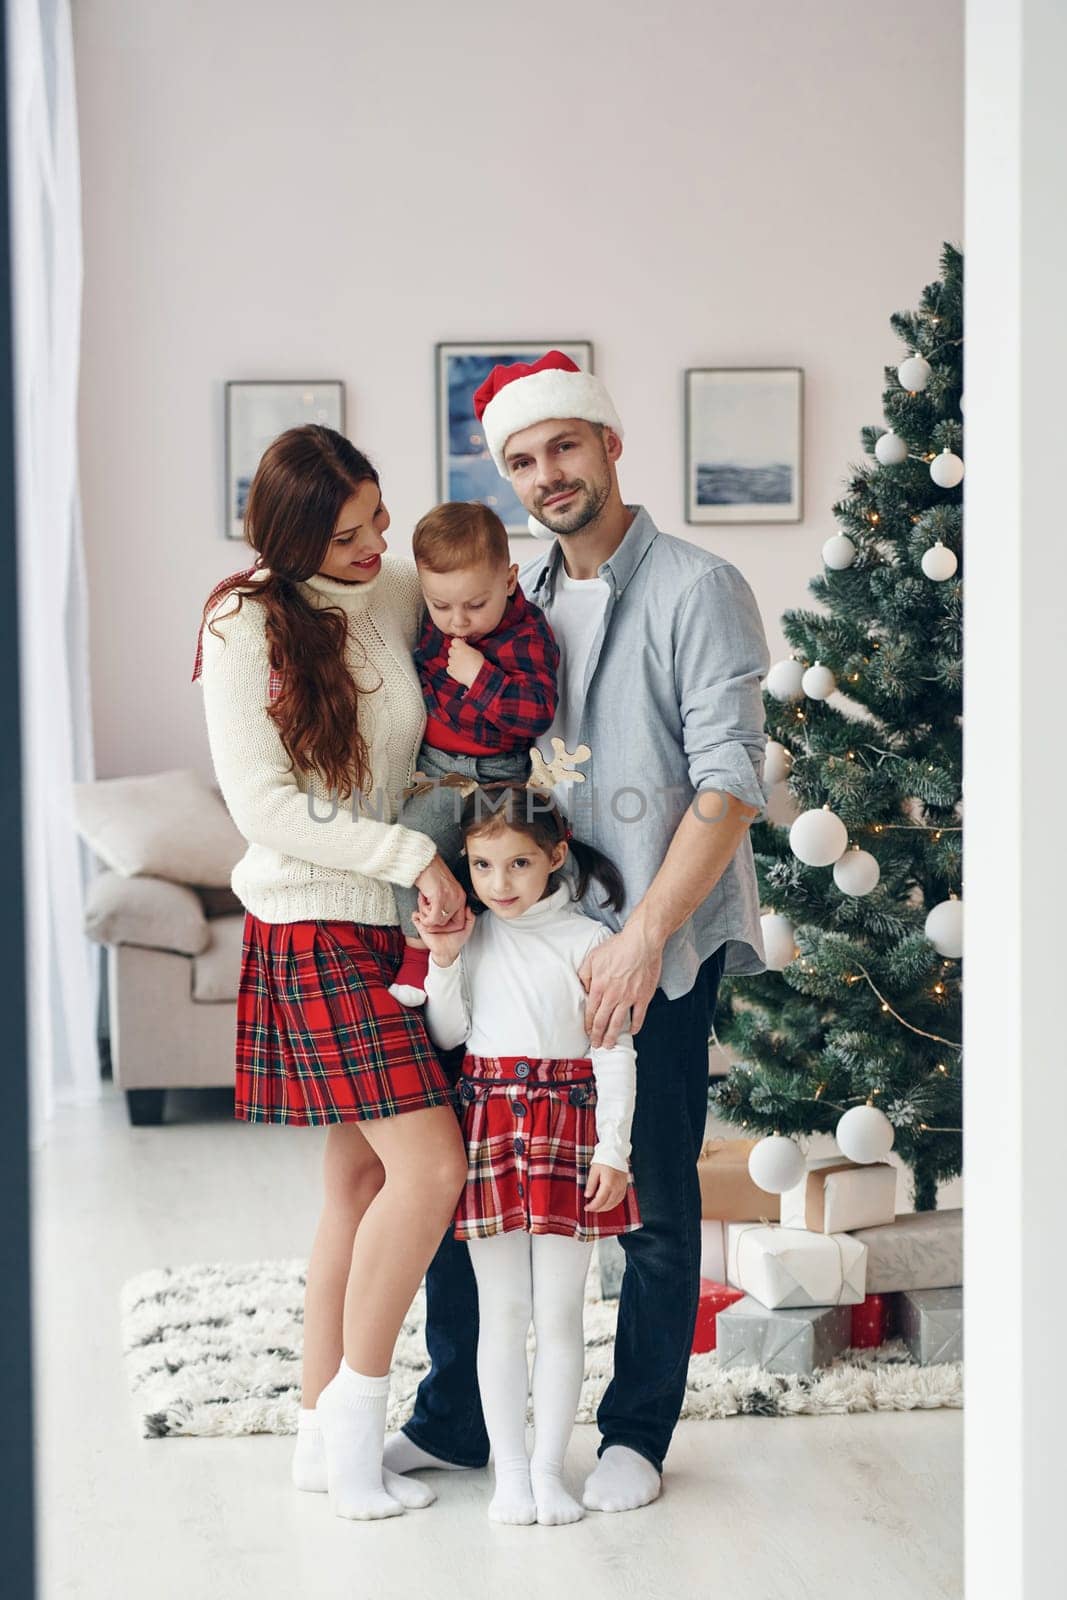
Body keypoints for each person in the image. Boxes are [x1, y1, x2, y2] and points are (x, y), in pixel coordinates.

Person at [386, 352, 770, 1513]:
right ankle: (457, 1419)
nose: (546, 474)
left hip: (651, 940)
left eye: (563, 446)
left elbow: (728, 778)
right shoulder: (524, 597)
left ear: (609, 446)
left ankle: (635, 1433)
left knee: (642, 1190)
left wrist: (647, 932)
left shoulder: (697, 588)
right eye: (520, 458)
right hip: (526, 936)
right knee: (478, 1189)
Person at [192, 424, 472, 1522]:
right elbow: (259, 804)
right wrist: (410, 856)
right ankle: (357, 1425)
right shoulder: (242, 620)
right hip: (312, 924)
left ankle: (318, 1434)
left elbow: (475, 580)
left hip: (385, 928)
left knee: (358, 1183)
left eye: (377, 517)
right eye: (345, 532)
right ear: (292, 533)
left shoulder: (394, 591)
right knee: (431, 1170)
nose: (372, 543)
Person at [414, 783, 640, 1526]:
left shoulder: (589, 942)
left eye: (517, 864)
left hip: (567, 1135)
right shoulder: (471, 935)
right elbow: (447, 1035)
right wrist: (444, 960)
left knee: (559, 1313)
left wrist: (613, 1150)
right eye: (481, 866)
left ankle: (549, 1472)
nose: (498, 884)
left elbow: (612, 1054)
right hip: (491, 1131)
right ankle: (510, 1473)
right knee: (501, 1312)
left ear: (554, 856)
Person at [388, 501, 559, 1006]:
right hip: (437, 767)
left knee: (492, 861)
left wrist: (480, 677)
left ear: (509, 580)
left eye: (475, 605)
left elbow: (536, 713)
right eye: (441, 607)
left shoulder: (528, 634)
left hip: (499, 772)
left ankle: (475, 961)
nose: (458, 622)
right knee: (410, 847)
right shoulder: (433, 622)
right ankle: (421, 956)